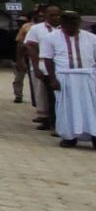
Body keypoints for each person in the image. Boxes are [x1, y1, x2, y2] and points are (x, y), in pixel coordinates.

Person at [41, 11, 96, 148]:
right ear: (63, 24)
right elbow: (47, 59)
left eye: (75, 23)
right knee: (67, 108)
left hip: (88, 76)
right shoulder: (51, 37)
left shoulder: (91, 38)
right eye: (69, 23)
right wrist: (52, 79)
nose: (73, 26)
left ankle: (94, 136)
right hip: (65, 77)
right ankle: (69, 137)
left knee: (92, 108)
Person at [25, 5, 62, 130]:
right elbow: (31, 47)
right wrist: (35, 67)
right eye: (52, 15)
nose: (55, 17)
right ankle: (46, 119)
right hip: (42, 63)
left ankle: (57, 120)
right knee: (42, 94)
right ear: (45, 15)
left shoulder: (64, 28)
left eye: (57, 15)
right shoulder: (36, 29)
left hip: (61, 65)